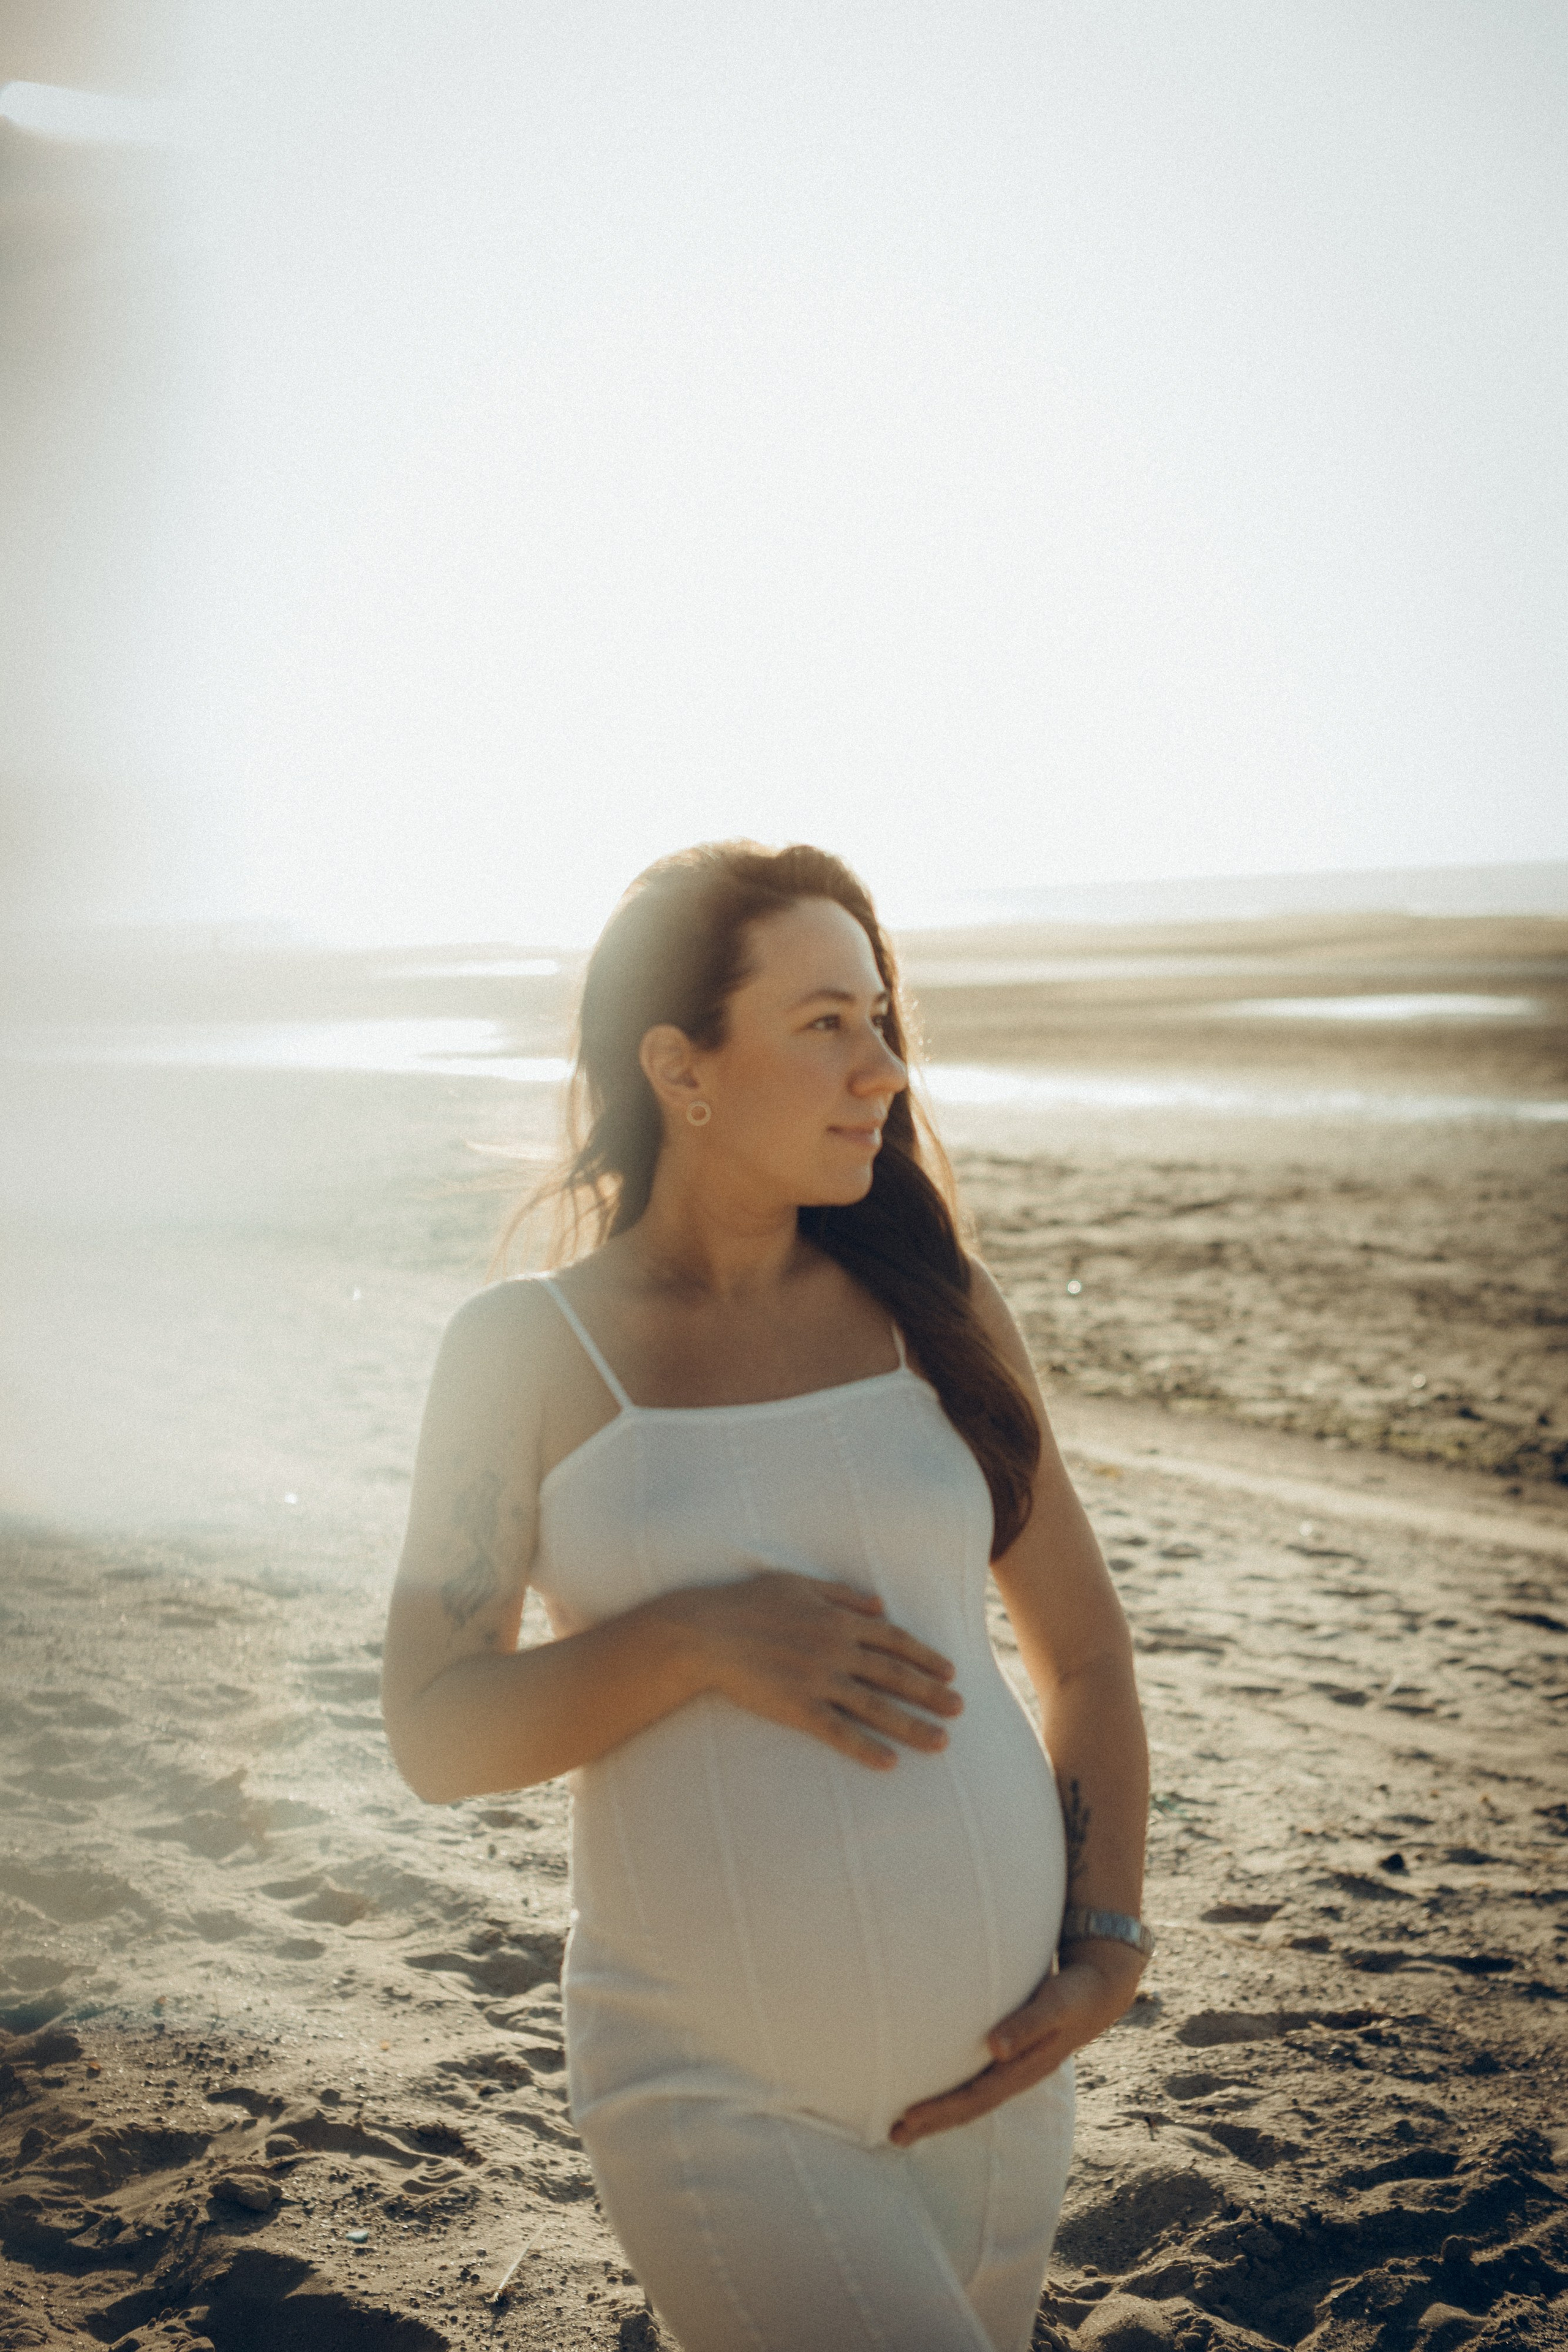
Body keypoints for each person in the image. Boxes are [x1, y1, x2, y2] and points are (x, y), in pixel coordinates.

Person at [381, 840, 1150, 2352]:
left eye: (879, 1019)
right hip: (713, 2095)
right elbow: (434, 1732)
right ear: (681, 1066)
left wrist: (1108, 1944)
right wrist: (691, 1639)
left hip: (999, 2086)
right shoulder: (525, 1353)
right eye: (822, 1024)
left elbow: (1085, 1657)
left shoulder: (941, 1310)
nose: (882, 1069)